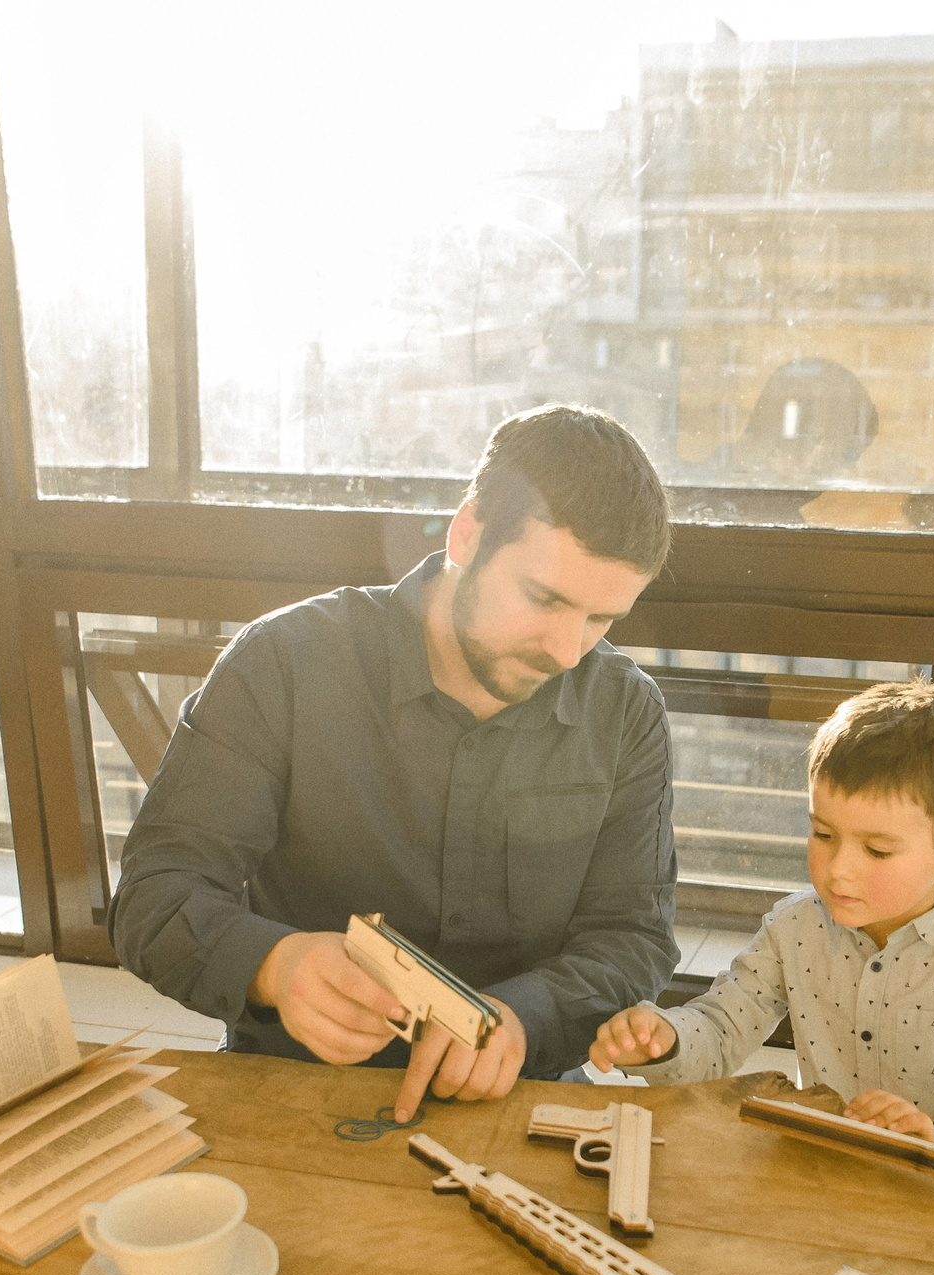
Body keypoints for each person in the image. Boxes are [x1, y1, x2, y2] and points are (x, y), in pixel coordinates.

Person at [110, 404, 679, 1124]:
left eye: (601, 620)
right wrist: (275, 967)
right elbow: (156, 895)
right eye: (544, 599)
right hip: (296, 1084)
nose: (568, 652)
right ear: (467, 534)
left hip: (524, 1089)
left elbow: (633, 936)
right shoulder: (282, 663)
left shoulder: (624, 710)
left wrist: (524, 1017)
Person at [586, 677, 934, 1161]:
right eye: (823, 834)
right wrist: (665, 1041)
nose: (838, 870)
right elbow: (721, 1030)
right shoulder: (794, 928)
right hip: (822, 1171)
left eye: (877, 850)